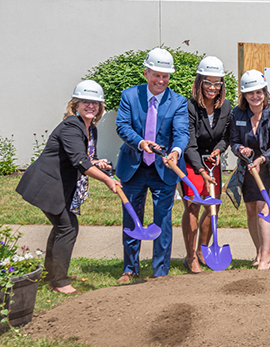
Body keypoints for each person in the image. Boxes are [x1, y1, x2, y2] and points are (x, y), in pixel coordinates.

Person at [16, 80, 121, 294]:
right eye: (85, 102)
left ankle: (51, 274)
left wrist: (97, 163)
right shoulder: (71, 126)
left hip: (59, 185)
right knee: (67, 227)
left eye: (95, 103)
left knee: (63, 227)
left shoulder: (89, 127)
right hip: (47, 185)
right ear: (75, 104)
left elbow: (86, 158)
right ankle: (60, 282)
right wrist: (108, 180)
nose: (91, 106)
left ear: (100, 107)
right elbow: (79, 161)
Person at [115, 48, 189, 282]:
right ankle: (130, 268)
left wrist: (176, 152)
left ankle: (160, 272)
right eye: (156, 75)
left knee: (163, 221)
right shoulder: (129, 96)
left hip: (163, 169)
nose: (161, 80)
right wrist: (140, 143)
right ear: (146, 73)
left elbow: (181, 133)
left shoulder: (178, 101)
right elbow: (122, 126)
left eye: (165, 76)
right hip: (134, 167)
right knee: (131, 217)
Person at [229, 70, 270, 270]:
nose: (255, 96)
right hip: (248, 167)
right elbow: (233, 141)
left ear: (265, 92)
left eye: (259, 92)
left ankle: (266, 257)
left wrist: (262, 158)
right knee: (251, 209)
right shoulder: (237, 113)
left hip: (269, 166)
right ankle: (259, 252)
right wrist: (240, 150)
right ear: (244, 95)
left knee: (264, 208)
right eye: (250, 93)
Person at [180, 56, 232, 273]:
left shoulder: (226, 106)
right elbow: (188, 142)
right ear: (199, 82)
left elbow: (226, 136)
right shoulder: (189, 107)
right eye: (208, 82)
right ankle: (191, 256)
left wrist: (219, 149)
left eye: (217, 83)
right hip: (192, 161)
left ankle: (203, 250)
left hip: (212, 161)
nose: (212, 88)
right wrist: (200, 170)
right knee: (193, 205)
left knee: (213, 206)